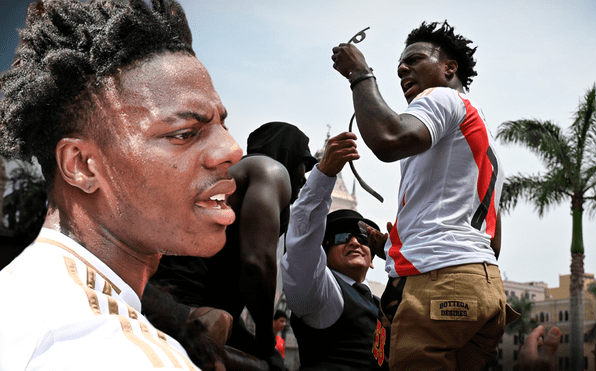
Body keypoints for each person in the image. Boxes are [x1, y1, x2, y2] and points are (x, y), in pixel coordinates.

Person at [0, 0, 248, 369]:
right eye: (184, 133)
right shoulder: (121, 353)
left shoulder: (23, 288)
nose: (231, 150)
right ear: (82, 165)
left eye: (221, 125)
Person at [331, 21, 509, 370]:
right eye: (401, 65)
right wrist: (391, 248)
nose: (401, 69)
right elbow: (492, 240)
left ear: (448, 69)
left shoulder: (440, 97)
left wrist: (360, 74)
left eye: (414, 59)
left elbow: (389, 137)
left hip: (439, 287)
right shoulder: (480, 135)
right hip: (482, 285)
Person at [145, 121, 316, 362]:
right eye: (305, 165)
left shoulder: (232, 179)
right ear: (289, 154)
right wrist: (266, 336)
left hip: (173, 298)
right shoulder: (271, 170)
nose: (304, 177)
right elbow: (256, 264)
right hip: (183, 303)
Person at [281, 132, 388, 370]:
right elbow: (303, 241)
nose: (354, 242)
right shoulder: (321, 293)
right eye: (341, 237)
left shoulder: (381, 304)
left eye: (362, 236)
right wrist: (324, 175)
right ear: (323, 255)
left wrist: (391, 253)